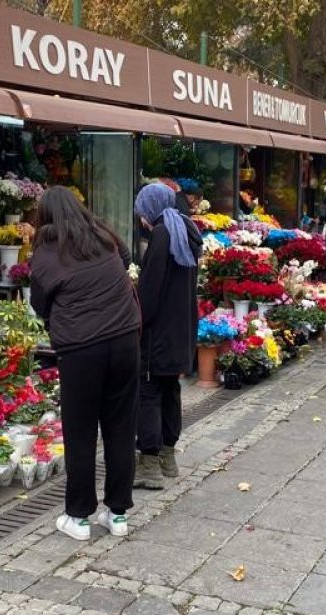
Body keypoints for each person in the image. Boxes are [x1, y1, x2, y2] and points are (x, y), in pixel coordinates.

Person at [30, 186, 141, 541]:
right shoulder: (103, 235)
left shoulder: (46, 253)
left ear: (44, 216)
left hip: (81, 349)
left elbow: (39, 303)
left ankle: (78, 517)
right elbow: (126, 258)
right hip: (125, 339)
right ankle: (118, 514)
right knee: (121, 427)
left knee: (81, 432)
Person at [131, 183, 202, 491]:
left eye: (142, 212)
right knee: (170, 389)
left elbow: (150, 290)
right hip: (181, 329)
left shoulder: (162, 235)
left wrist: (136, 320)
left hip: (158, 333)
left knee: (149, 392)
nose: (141, 220)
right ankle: (167, 458)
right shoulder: (185, 229)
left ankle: (149, 466)